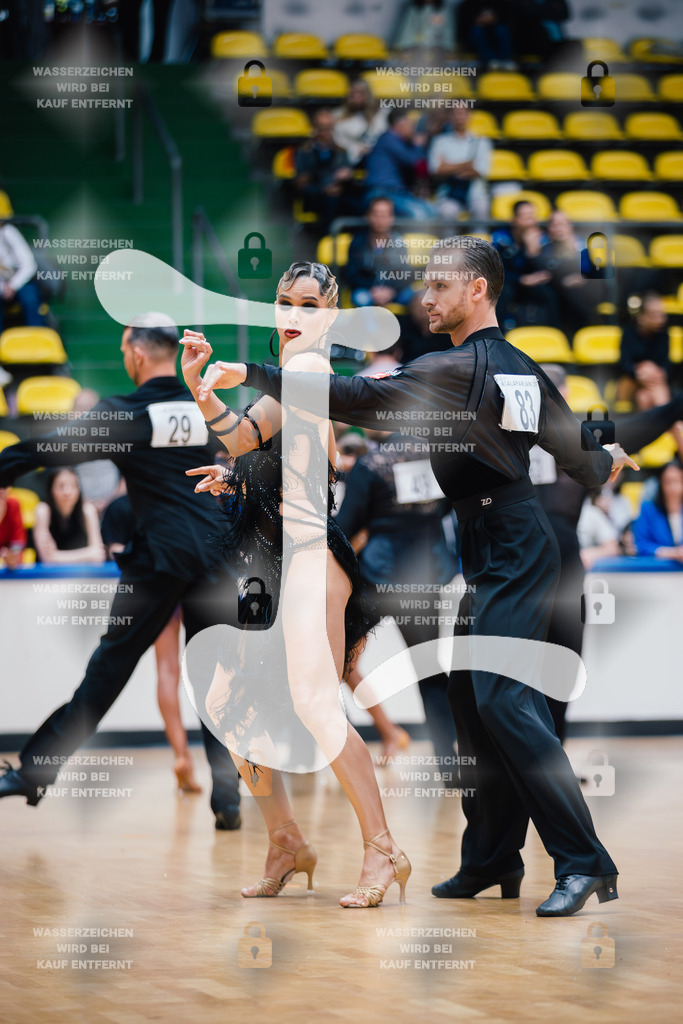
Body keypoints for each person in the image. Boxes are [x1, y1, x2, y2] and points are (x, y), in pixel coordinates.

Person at [210, 236, 639, 916]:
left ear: (477, 291)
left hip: (512, 544)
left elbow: (355, 397)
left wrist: (254, 373)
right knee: (471, 704)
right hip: (492, 539)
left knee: (500, 702)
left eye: (440, 286)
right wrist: (606, 455)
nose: (426, 297)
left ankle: (584, 862)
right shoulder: (519, 368)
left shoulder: (455, 367)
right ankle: (491, 858)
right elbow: (579, 456)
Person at [179, 261, 411, 908]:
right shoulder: (291, 375)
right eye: (284, 301)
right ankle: (285, 841)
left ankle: (383, 849)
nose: (293, 313)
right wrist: (239, 471)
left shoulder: (307, 370)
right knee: (229, 701)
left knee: (314, 705)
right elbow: (257, 444)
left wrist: (210, 390)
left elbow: (248, 430)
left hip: (309, 556)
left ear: (329, 316)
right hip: (270, 557)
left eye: (309, 304)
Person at [0, 313, 241, 829]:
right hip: (217, 558)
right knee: (215, 682)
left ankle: (32, 773)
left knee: (107, 673)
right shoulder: (202, 403)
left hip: (160, 561)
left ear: (134, 352)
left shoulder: (125, 412)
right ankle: (229, 798)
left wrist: (4, 469)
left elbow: (53, 447)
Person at [335, 427, 458, 768]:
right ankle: (449, 763)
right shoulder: (437, 459)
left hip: (377, 578)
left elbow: (345, 526)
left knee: (332, 662)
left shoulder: (372, 465)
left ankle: (332, 754)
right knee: (430, 671)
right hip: (423, 578)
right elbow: (446, 508)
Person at [101, 493, 202, 794]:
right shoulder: (176, 496)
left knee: (167, 671)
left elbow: (121, 559)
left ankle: (182, 754)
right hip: (192, 579)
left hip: (158, 586)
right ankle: (226, 761)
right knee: (210, 669)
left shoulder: (118, 507)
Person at [493, 201, 558, 330]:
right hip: (508, 283)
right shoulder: (501, 238)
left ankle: (555, 332)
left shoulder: (541, 239)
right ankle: (495, 336)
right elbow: (495, 270)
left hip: (531, 284)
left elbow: (548, 269)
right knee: (504, 292)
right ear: (515, 220)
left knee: (548, 292)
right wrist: (520, 280)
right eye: (526, 217)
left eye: (532, 217)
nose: (531, 222)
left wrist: (532, 253)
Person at [539, 210, 603, 337]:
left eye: (562, 224)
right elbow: (546, 271)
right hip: (556, 291)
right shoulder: (545, 248)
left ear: (570, 227)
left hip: (581, 292)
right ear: (549, 229)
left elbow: (592, 271)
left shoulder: (581, 246)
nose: (558, 229)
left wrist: (582, 277)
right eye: (554, 225)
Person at [344, 196, 415, 309]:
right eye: (376, 215)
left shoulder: (399, 242)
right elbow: (351, 274)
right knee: (361, 298)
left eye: (385, 215)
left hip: (393, 291)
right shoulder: (357, 242)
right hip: (367, 291)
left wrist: (391, 291)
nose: (381, 220)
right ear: (368, 216)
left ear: (392, 218)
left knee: (414, 297)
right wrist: (372, 290)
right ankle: (369, 327)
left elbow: (406, 273)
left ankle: (407, 327)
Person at [365, 109, 434, 221]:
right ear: (399, 123)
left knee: (431, 211)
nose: (412, 128)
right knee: (419, 215)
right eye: (409, 123)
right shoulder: (388, 138)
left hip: (396, 193)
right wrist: (418, 144)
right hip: (380, 194)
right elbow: (416, 162)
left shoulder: (399, 141)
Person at [294, 109, 355, 233]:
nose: (325, 132)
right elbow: (301, 184)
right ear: (315, 128)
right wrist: (324, 189)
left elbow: (347, 174)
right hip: (314, 196)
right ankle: (327, 240)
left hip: (339, 194)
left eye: (328, 127)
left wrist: (346, 176)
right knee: (331, 200)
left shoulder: (341, 151)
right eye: (322, 128)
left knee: (361, 204)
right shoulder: (305, 151)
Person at [428, 106, 492, 223]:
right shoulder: (439, 141)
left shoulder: (482, 141)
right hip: (448, 194)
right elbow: (435, 169)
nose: (460, 117)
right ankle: (449, 242)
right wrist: (467, 164)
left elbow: (481, 171)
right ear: (450, 116)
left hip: (475, 194)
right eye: (456, 113)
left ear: (469, 115)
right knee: (446, 212)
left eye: (463, 113)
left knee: (482, 208)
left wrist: (448, 166)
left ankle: (479, 241)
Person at [33, 467, 106, 565]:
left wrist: (57, 556)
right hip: (49, 577)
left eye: (73, 485)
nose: (67, 492)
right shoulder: (43, 511)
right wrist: (88, 554)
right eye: (61, 486)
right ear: (51, 489)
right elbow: (47, 558)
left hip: (83, 574)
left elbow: (99, 555)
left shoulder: (87, 510)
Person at [617, 293, 672, 411]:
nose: (660, 320)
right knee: (646, 368)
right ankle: (670, 419)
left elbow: (666, 364)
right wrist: (640, 372)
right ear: (641, 317)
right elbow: (624, 363)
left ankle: (662, 420)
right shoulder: (629, 333)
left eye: (661, 315)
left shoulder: (664, 335)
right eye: (654, 315)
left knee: (644, 398)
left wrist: (657, 372)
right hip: (629, 384)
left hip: (652, 385)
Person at [632, 460, 683, 562]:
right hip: (657, 571)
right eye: (668, 482)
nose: (673, 488)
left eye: (677, 481)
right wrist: (670, 553)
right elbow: (641, 545)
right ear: (661, 484)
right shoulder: (648, 509)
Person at [0, 219, 45, 333]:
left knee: (30, 297)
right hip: (2, 286)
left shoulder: (8, 232)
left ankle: (37, 340)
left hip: (20, 283)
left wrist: (12, 285)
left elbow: (29, 265)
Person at [333, 80, 388, 167]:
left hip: (377, 156)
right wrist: (356, 149)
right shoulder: (338, 116)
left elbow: (384, 135)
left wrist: (372, 148)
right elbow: (338, 141)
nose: (356, 97)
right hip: (348, 158)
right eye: (352, 94)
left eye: (360, 93)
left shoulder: (381, 113)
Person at [456, 0, 516, 69]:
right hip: (476, 35)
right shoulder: (467, 4)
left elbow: (507, 19)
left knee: (502, 29)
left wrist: (494, 19)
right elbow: (463, 26)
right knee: (476, 31)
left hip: (494, 30)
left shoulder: (502, 3)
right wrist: (477, 21)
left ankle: (506, 59)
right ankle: (490, 60)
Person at [0, 485, 25, 568]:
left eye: (5, 485)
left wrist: (11, 556)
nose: (2, 489)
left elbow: (17, 544)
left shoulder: (13, 504)